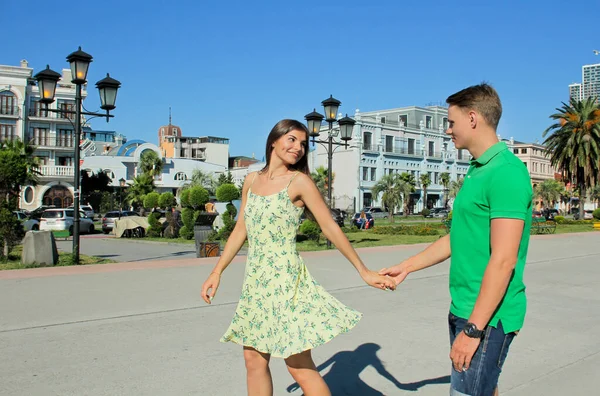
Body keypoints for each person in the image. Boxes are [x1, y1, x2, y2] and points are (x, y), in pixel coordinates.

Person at [201, 119, 396, 396]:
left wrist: (363, 270)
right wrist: (216, 271)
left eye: (303, 144)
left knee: (298, 363)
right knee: (253, 360)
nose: (298, 148)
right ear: (274, 141)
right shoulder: (251, 180)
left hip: (286, 281)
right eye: (292, 140)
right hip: (256, 283)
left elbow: (330, 227)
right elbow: (241, 228)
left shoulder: (299, 182)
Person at [380, 83, 533, 396]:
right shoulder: (478, 170)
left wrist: (473, 329)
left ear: (473, 118)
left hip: (488, 316)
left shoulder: (506, 173)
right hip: (465, 306)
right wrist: (407, 266)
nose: (448, 130)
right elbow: (457, 238)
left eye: (451, 122)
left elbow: (503, 261)